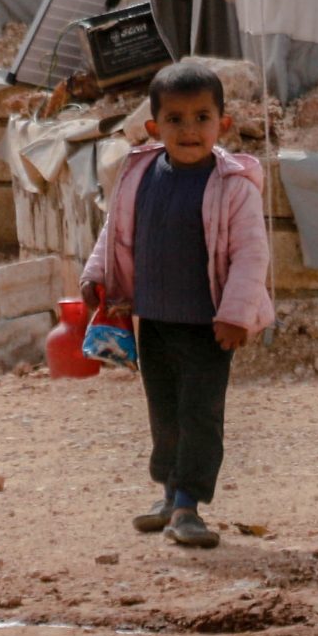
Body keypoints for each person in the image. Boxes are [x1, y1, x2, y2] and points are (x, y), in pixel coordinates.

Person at [79, 61, 273, 550]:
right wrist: (96, 274)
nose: (190, 130)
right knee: (163, 411)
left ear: (222, 124)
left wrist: (235, 316)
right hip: (156, 320)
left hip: (209, 328)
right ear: (154, 126)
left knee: (200, 414)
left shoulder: (233, 186)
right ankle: (168, 495)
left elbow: (251, 255)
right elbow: (117, 230)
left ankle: (188, 504)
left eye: (202, 118)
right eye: (176, 119)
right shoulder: (141, 174)